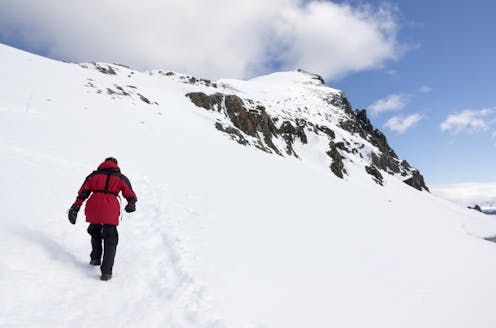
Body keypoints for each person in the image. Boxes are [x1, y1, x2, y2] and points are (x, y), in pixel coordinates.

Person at [67, 157, 137, 281]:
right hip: (110, 208)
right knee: (111, 238)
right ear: (116, 165)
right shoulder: (120, 177)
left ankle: (95, 258)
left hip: (93, 206)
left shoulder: (93, 176)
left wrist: (75, 207)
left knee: (95, 231)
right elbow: (130, 194)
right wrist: (131, 204)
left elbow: (83, 193)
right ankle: (106, 272)